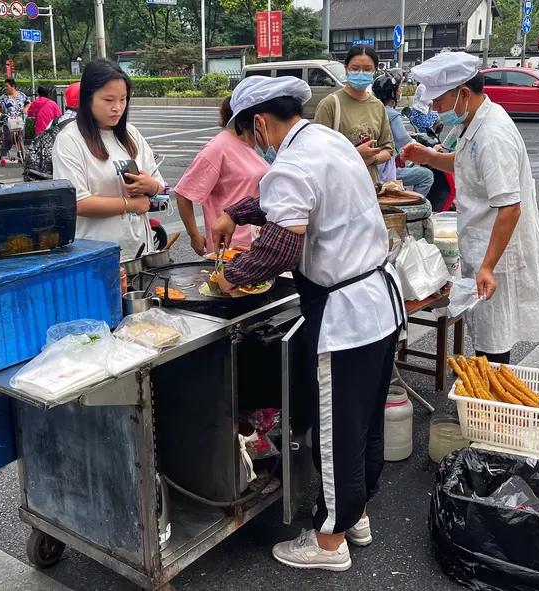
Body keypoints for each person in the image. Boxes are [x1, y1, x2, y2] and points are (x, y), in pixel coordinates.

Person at [210, 76, 405, 572]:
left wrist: (230, 278)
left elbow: (281, 247)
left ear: (259, 123)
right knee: (364, 424)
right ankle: (355, 515)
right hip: (380, 302)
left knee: (337, 430)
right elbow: (288, 200)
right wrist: (236, 213)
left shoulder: (293, 161)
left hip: (346, 313)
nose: (255, 143)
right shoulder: (326, 139)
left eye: (250, 134)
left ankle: (327, 542)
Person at [402, 52, 539, 364]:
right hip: (482, 244)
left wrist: (487, 266)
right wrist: (430, 157)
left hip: (498, 252)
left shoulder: (492, 134)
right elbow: (466, 164)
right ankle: (484, 399)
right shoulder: (474, 120)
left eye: (439, 102)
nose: (435, 109)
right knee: (486, 335)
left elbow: (510, 207)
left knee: (494, 338)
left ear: (463, 93)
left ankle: (489, 406)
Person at [52, 59, 164, 259]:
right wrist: (131, 204)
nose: (117, 108)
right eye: (108, 100)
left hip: (138, 250)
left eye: (123, 99)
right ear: (88, 99)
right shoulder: (70, 139)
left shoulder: (131, 134)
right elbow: (78, 202)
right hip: (96, 253)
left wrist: (151, 186)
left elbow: (160, 187)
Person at [174, 97, 269, 255]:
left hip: (257, 242)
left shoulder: (256, 145)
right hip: (230, 247)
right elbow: (183, 193)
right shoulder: (218, 148)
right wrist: (194, 236)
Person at [314, 45, 394, 184]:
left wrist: (373, 159)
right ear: (346, 69)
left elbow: (388, 149)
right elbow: (316, 153)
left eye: (367, 69)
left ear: (374, 71)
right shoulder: (330, 104)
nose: (361, 73)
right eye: (355, 69)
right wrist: (355, 155)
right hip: (340, 187)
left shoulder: (377, 106)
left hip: (370, 185)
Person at [372, 74, 434, 197]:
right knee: (426, 176)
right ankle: (414, 208)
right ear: (392, 93)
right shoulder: (391, 114)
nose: (400, 91)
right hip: (382, 171)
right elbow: (405, 142)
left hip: (373, 167)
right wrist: (431, 150)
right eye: (398, 89)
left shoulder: (374, 109)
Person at [0, 78, 31, 162]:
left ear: (13, 86)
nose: (6, 88)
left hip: (19, 120)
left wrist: (25, 109)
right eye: (5, 86)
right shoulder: (4, 97)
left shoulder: (21, 95)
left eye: (7, 86)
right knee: (8, 138)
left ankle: (21, 155)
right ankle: (3, 156)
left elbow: (28, 103)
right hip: (8, 121)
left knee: (20, 137)